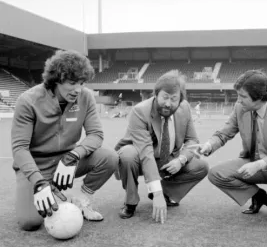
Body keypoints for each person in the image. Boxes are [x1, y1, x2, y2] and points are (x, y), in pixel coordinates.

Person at [11, 50, 118, 231]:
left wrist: (74, 155)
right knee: (29, 222)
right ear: (57, 79)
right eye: (72, 83)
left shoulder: (86, 97)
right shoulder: (28, 100)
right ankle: (52, 190)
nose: (78, 89)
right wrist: (38, 181)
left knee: (110, 157)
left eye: (82, 83)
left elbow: (96, 134)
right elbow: (20, 148)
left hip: (67, 160)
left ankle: (81, 200)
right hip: (36, 164)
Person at [189, 70, 267, 223]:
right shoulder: (240, 108)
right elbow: (224, 133)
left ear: (260, 96)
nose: (238, 100)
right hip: (251, 161)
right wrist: (209, 145)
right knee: (217, 174)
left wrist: (260, 164)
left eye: (243, 96)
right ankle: (258, 196)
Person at [114, 70, 209, 224]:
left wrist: (181, 160)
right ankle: (131, 201)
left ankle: (166, 192)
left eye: (174, 99)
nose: (168, 103)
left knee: (201, 165)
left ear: (180, 100)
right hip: (139, 158)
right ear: (156, 94)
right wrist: (155, 191)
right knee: (127, 155)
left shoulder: (184, 108)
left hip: (167, 158)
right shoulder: (140, 111)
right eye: (165, 97)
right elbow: (146, 154)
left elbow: (192, 140)